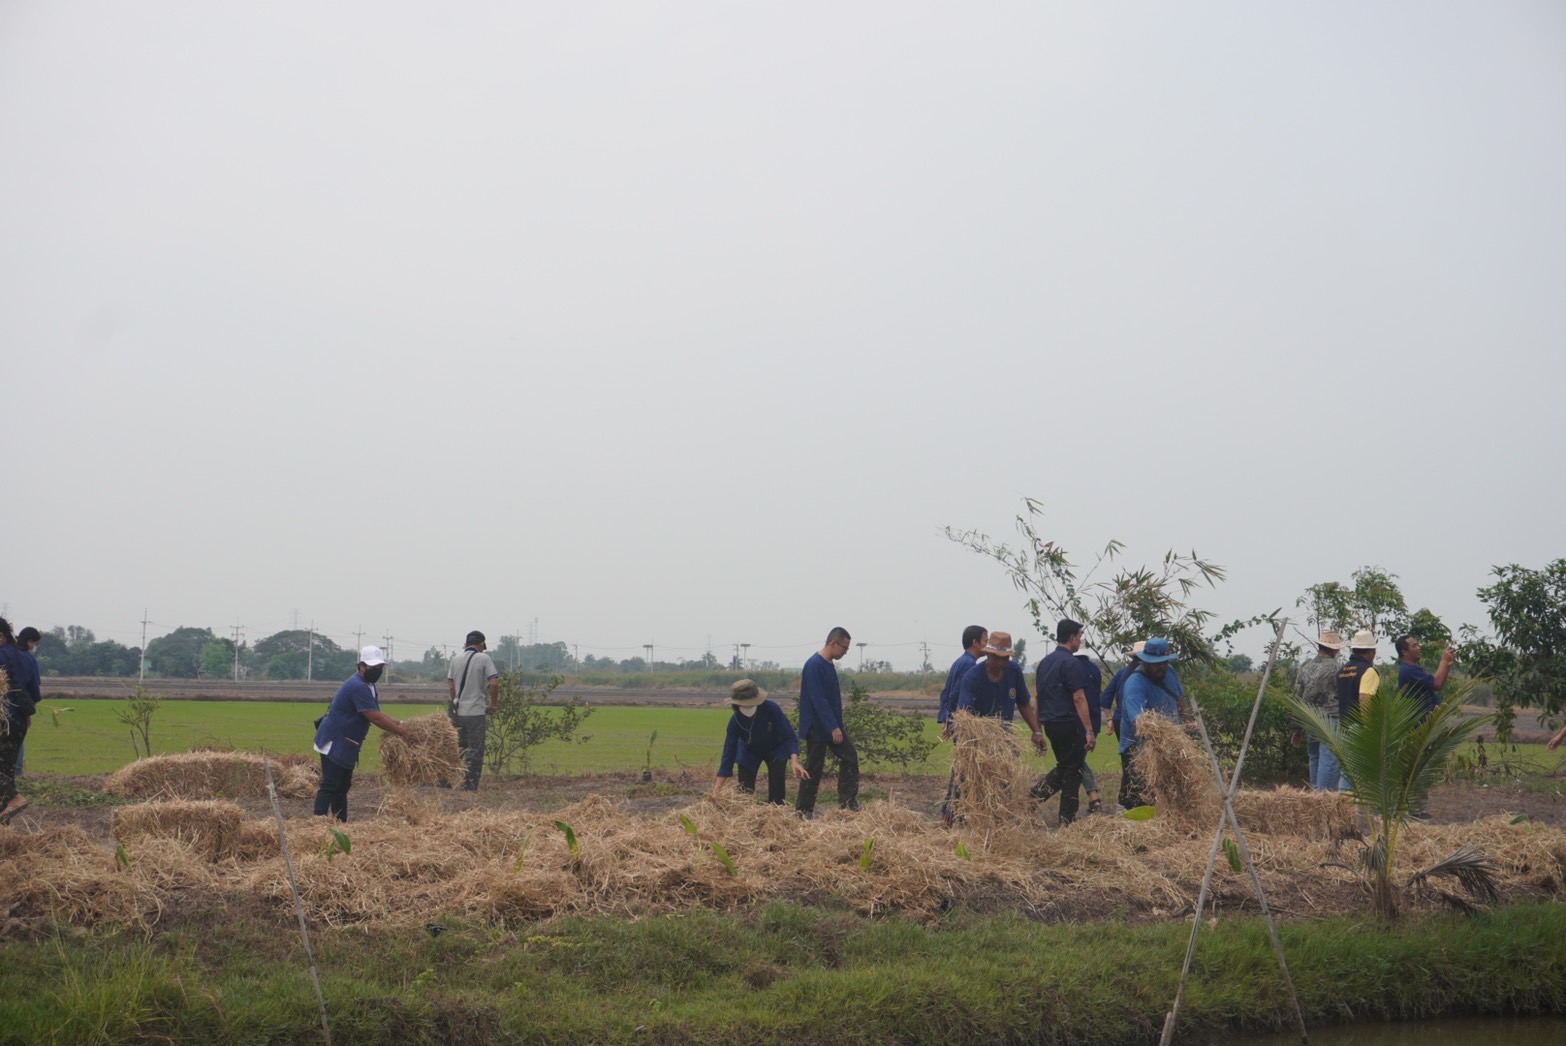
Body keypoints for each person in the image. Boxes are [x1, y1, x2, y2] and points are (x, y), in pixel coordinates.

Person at [311, 646, 412, 821]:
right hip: (335, 740)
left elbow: (377, 713)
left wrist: (399, 723)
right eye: (373, 668)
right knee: (330, 784)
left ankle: (339, 822)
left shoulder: (368, 685)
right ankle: (317, 821)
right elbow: (375, 718)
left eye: (379, 668)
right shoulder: (358, 686)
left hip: (346, 742)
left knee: (342, 786)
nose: (377, 671)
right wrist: (401, 731)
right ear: (361, 666)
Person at [1028, 619, 1098, 825]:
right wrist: (1089, 730)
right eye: (1079, 636)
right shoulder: (1071, 663)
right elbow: (1078, 697)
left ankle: (1033, 798)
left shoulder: (1044, 663)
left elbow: (1039, 698)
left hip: (1051, 724)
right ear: (1072, 638)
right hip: (1068, 723)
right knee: (1073, 771)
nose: (1080, 640)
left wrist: (1038, 729)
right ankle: (1066, 819)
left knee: (1066, 766)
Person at [795, 626, 860, 816]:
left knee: (850, 757)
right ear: (833, 643)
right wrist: (833, 727)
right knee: (814, 768)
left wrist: (837, 725)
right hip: (817, 727)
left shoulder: (828, 664)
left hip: (832, 726)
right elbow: (818, 700)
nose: (845, 653)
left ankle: (847, 803)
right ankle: (803, 810)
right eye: (844, 648)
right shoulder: (814, 665)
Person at [713, 679, 808, 804]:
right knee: (744, 790)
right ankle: (746, 814)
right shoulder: (735, 721)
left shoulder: (771, 709)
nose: (747, 707)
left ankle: (775, 813)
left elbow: (788, 736)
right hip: (749, 750)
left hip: (775, 749)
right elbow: (728, 753)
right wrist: (716, 791)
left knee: (777, 791)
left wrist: (794, 761)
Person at [1115, 637, 1183, 810]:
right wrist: (1166, 735)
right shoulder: (1134, 685)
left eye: (1164, 662)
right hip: (1139, 749)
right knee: (1139, 796)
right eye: (1157, 664)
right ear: (1145, 662)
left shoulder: (1170, 672)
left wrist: (1187, 723)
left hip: (1168, 745)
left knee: (1169, 793)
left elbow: (1179, 699)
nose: (1162, 667)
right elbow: (1140, 725)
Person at [446, 630, 500, 791]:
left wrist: (457, 701)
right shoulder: (484, 658)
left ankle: (444, 780)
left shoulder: (455, 659)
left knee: (457, 747)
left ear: (466, 644)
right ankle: (469, 785)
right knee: (475, 749)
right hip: (475, 711)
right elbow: (494, 682)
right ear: (482, 644)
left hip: (457, 711)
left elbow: (451, 685)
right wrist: (493, 704)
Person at [0, 618, 42, 825]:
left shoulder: (1, 656)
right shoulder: (26, 658)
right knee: (6, 769)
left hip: (3, 720)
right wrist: (25, 716)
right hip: (19, 721)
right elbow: (34, 692)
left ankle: (14, 797)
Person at [1293, 631, 1344, 791]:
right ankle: (1324, 797)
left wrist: (1296, 726)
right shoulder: (1336, 668)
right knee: (1330, 758)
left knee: (1314, 756)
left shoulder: (1305, 667)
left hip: (1309, 717)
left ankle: (1315, 793)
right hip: (1330, 717)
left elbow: (1297, 696)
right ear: (1334, 649)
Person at [1334, 631, 1380, 791]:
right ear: (1370, 652)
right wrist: (1369, 729)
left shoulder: (1342, 670)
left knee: (1347, 772)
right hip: (1360, 727)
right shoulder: (1368, 671)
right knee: (1376, 772)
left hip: (1344, 726)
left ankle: (1344, 810)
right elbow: (1364, 699)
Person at [937, 626, 987, 740]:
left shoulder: (959, 662)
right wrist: (949, 719)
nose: (987, 646)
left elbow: (945, 692)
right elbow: (955, 693)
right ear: (975, 642)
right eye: (985, 641)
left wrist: (944, 718)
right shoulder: (969, 665)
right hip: (963, 724)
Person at [1074, 646, 1106, 813]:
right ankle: (1093, 798)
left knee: (1074, 760)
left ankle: (1093, 797)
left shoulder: (1072, 667)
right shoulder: (1094, 668)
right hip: (1095, 721)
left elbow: (1078, 698)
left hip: (1080, 723)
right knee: (1077, 760)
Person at [1394, 634, 1457, 720]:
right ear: (1404, 652)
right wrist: (1444, 660)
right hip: (1420, 726)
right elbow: (1436, 683)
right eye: (1414, 646)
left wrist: (1447, 665)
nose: (1419, 648)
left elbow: (1437, 684)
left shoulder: (1411, 669)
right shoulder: (1408, 671)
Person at [12, 627, 41, 778]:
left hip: (4, 703)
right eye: (35, 644)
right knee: (18, 737)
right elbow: (34, 687)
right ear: (30, 642)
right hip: (20, 706)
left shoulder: (6, 654)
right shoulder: (29, 659)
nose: (34, 647)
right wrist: (30, 712)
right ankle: (16, 773)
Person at [1101, 641, 1145, 737]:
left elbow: (1105, 697)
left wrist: (1109, 719)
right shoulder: (1146, 675)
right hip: (1141, 722)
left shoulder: (1122, 672)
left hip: (1119, 719)